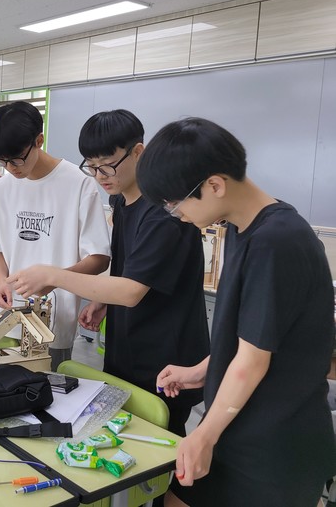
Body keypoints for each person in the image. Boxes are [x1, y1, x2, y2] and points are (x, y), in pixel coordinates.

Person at [136, 117, 336, 506]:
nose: (176, 214)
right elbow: (253, 336)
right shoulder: (242, 229)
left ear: (214, 185)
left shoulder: (277, 242)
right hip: (235, 422)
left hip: (275, 445)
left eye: (175, 204)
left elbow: (253, 362)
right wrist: (202, 369)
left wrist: (203, 435)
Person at [9, 109, 210, 436]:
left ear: (138, 152)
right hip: (128, 345)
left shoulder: (163, 213)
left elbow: (131, 291)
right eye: (91, 166)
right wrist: (103, 300)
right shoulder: (121, 202)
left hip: (167, 358)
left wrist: (52, 275)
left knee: (159, 444)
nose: (100, 175)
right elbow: (132, 268)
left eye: (108, 165)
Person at [0, 101, 111, 369]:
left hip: (54, 323)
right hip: (9, 318)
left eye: (17, 159)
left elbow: (99, 259)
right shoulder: (3, 187)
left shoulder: (79, 184)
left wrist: (54, 279)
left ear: (39, 141)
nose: (11, 168)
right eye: (2, 160)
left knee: (47, 385)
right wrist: (2, 282)